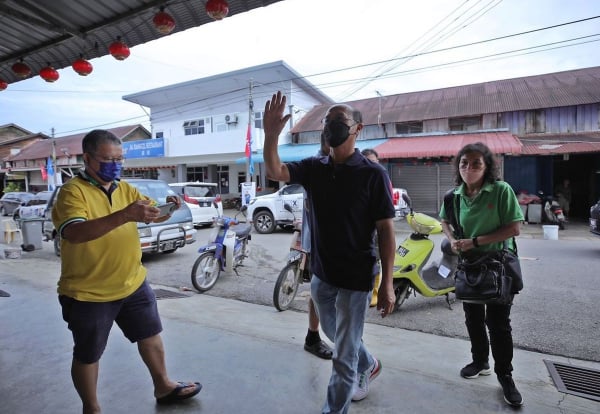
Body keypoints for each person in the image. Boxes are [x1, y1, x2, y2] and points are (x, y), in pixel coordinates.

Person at [263, 91, 396, 413]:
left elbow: (386, 231)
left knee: (343, 356)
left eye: (340, 121)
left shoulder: (373, 174)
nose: (332, 126)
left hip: (356, 277)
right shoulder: (314, 167)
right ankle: (370, 363)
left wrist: (388, 282)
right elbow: (274, 171)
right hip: (322, 273)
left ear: (357, 129)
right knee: (331, 330)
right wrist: (270, 135)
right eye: (328, 121)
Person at [52, 129, 201, 413]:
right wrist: (125, 214)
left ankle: (163, 385)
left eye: (120, 159)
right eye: (109, 159)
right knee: (88, 354)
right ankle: (92, 408)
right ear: (88, 158)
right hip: (89, 292)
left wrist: (168, 208)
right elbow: (74, 233)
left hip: (132, 282)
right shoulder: (72, 192)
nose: (116, 165)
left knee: (151, 336)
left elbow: (150, 212)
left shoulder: (125, 189)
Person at [439, 142, 524, 407]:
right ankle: (480, 361)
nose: (469, 168)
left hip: (498, 266)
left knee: (498, 324)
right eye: (464, 163)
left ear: (487, 167)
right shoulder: (454, 196)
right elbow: (444, 221)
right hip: (470, 266)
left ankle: (505, 375)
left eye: (476, 163)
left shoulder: (500, 191)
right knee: (473, 318)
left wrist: (474, 241)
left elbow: (513, 229)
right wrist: (453, 239)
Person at [303, 133, 334, 360]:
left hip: (331, 244)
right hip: (319, 243)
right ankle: (313, 336)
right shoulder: (316, 167)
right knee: (317, 290)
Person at [360, 148, 383, 308]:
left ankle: (375, 293)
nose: (370, 167)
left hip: (377, 230)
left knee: (377, 261)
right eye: (366, 163)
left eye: (373, 163)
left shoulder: (382, 181)